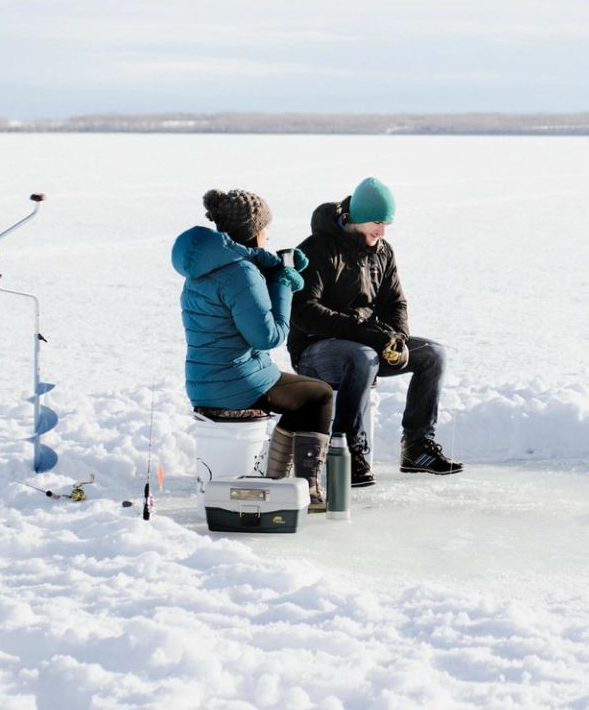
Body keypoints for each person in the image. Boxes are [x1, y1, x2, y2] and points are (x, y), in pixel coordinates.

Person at [289, 176, 463, 486]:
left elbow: (395, 302)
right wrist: (365, 332)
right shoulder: (317, 249)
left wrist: (397, 336)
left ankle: (417, 447)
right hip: (315, 350)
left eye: (386, 224)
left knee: (432, 354)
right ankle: (347, 451)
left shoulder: (383, 252)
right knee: (363, 355)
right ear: (356, 218)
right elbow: (304, 312)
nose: (382, 231)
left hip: (367, 344)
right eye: (377, 222)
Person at [172, 187, 337, 512]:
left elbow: (243, 284)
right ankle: (310, 490)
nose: (268, 234)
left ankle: (276, 480)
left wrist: (275, 267)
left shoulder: (205, 267)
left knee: (299, 400)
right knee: (318, 395)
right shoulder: (240, 273)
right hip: (236, 382)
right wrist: (285, 284)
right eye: (265, 228)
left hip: (205, 379)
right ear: (254, 232)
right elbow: (269, 337)